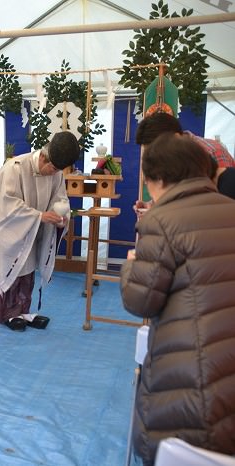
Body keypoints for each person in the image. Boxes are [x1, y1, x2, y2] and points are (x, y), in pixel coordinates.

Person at [120, 132, 235, 466]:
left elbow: (140, 300)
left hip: (193, 384)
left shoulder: (161, 221)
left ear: (158, 178)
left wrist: (130, 268)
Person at [0, 131, 80, 331]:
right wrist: (39, 216)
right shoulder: (14, 169)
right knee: (9, 266)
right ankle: (6, 313)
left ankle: (22, 311)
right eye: (53, 168)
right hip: (3, 232)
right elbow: (7, 206)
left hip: (31, 232)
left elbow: (60, 198)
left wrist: (60, 214)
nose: (54, 173)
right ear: (42, 157)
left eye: (58, 170)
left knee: (26, 269)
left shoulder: (56, 174)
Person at [134, 112, 235, 214]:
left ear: (176, 137)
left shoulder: (211, 151)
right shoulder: (173, 156)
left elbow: (222, 200)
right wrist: (153, 206)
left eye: (157, 148)